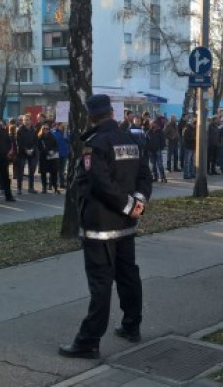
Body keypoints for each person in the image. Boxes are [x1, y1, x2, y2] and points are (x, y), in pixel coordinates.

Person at [59, 95, 152, 359]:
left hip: (101, 224)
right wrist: (137, 203)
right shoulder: (131, 139)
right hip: (126, 223)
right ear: (112, 113)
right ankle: (131, 326)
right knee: (128, 275)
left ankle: (88, 341)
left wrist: (126, 205)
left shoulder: (95, 144)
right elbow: (145, 176)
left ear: (91, 117)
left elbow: (99, 183)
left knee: (101, 283)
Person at [15, 115, 39, 194]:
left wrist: (32, 149)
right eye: (25, 120)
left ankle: (31, 188)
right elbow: (19, 142)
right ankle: (19, 188)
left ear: (31, 121)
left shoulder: (34, 130)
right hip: (22, 152)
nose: (26, 121)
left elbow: (36, 141)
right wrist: (25, 150)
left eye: (28, 120)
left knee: (31, 171)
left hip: (32, 152)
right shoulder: (19, 130)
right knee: (20, 171)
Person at [37, 123, 61, 193]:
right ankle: (44, 187)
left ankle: (55, 187)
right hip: (44, 157)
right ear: (42, 129)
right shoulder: (40, 137)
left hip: (52, 157)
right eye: (44, 129)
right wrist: (47, 152)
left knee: (54, 173)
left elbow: (56, 146)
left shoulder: (52, 136)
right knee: (43, 173)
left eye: (47, 129)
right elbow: (39, 147)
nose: (46, 130)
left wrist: (53, 151)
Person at [52, 122, 71, 188]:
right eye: (59, 124)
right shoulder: (53, 132)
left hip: (64, 153)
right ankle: (52, 184)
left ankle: (62, 183)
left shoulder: (66, 132)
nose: (62, 125)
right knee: (54, 169)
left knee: (62, 170)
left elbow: (69, 140)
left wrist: (66, 134)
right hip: (56, 153)